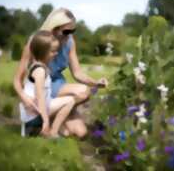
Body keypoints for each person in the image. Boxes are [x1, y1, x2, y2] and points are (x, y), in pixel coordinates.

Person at [14, 8, 108, 138]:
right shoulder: (36, 42)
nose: (70, 35)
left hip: (57, 84)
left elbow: (77, 73)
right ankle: (48, 120)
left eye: (72, 31)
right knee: (69, 130)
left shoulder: (69, 41)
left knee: (81, 132)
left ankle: (56, 115)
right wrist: (25, 98)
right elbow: (17, 80)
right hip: (40, 87)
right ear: (54, 28)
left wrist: (95, 83)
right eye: (66, 31)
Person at [20, 30, 75, 138]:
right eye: (53, 51)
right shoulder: (40, 71)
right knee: (71, 100)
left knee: (67, 131)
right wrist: (45, 120)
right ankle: (50, 131)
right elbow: (40, 97)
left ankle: (49, 129)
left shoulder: (39, 66)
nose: (56, 53)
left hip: (37, 111)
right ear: (42, 52)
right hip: (34, 115)